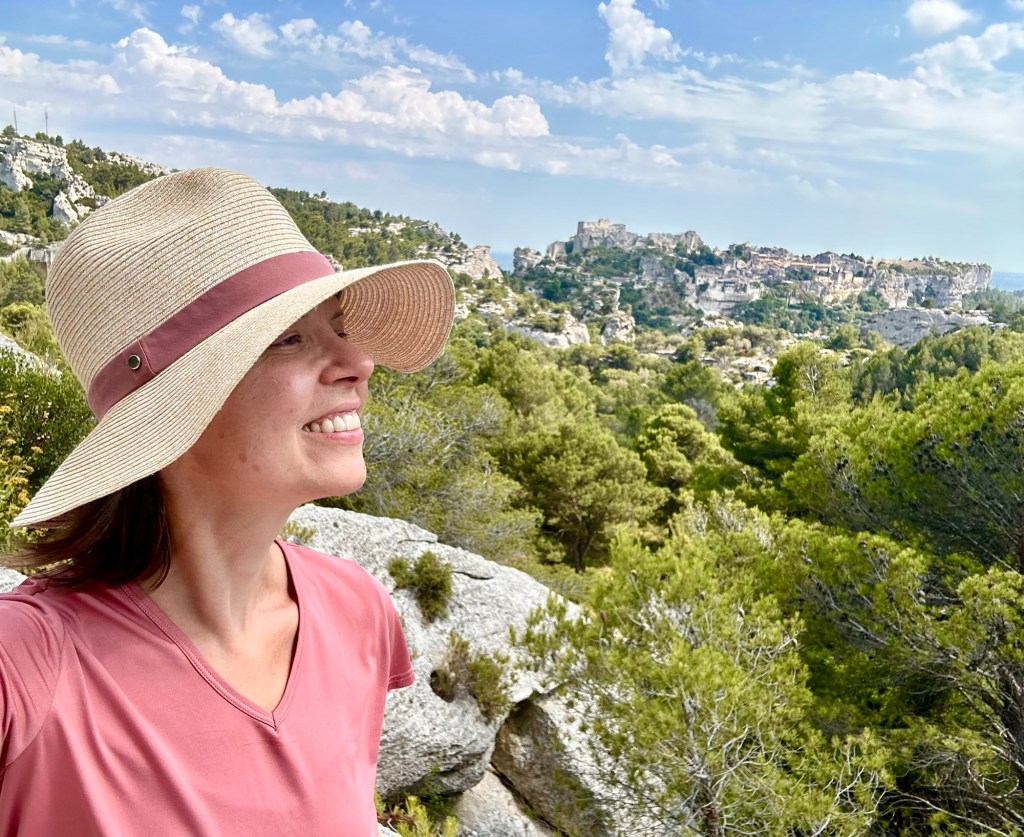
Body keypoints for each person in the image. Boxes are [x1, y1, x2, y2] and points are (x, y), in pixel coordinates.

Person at [0, 167, 455, 835]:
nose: (359, 363)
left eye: (340, 328)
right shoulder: (29, 663)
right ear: (173, 416)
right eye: (289, 338)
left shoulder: (357, 612)